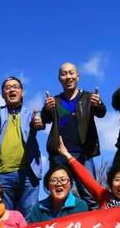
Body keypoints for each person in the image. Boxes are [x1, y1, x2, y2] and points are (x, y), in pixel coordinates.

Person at [42, 62, 107, 210]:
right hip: (59, 154)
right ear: (59, 78)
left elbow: (102, 113)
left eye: (71, 73)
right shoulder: (55, 101)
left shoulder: (88, 97)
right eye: (64, 74)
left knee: (91, 195)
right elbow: (44, 119)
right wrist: (47, 109)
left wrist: (98, 105)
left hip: (84, 154)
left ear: (78, 76)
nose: (68, 77)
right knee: (59, 196)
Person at [0, 77, 44, 218]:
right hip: (3, 174)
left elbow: (39, 123)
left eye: (16, 86)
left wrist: (38, 123)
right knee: (5, 218)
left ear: (22, 92)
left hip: (29, 173)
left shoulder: (31, 113)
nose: (12, 89)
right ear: (3, 94)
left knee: (29, 217)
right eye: (7, 87)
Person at [57, 137, 120, 209]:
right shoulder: (105, 197)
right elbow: (87, 179)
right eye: (117, 179)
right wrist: (67, 155)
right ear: (111, 183)